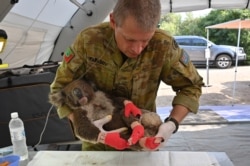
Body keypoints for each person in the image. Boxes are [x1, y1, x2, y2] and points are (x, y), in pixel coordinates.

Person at [50, 0, 204, 151]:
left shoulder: (163, 45)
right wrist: (84, 123)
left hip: (144, 139)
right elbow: (60, 88)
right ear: (113, 21)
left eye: (145, 40)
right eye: (129, 39)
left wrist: (172, 123)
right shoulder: (89, 40)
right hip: (98, 147)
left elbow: (191, 86)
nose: (137, 49)